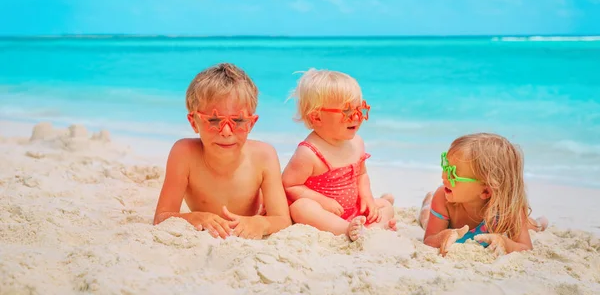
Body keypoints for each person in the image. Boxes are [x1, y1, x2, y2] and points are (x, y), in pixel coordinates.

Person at [153, 63, 291, 239]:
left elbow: (282, 219)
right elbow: (161, 217)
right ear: (194, 122)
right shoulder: (184, 154)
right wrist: (194, 217)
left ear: (251, 123)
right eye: (214, 120)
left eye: (238, 121)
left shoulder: (264, 156)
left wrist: (260, 222)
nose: (226, 132)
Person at [282, 68, 396, 241]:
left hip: (353, 210)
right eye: (347, 112)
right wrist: (322, 201)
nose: (356, 117)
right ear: (316, 118)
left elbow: (362, 175)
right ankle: (345, 229)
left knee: (385, 205)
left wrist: (367, 197)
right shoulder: (309, 152)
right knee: (301, 208)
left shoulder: (357, 142)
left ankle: (373, 228)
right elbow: (290, 185)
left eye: (360, 109)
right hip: (325, 214)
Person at [419, 133, 549, 256]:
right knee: (425, 220)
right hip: (444, 215)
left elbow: (525, 247)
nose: (443, 176)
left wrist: (504, 242)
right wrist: (443, 236)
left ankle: (540, 223)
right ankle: (427, 203)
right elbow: (429, 239)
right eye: (446, 168)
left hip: (503, 215)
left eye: (453, 173)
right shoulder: (443, 197)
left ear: (486, 191)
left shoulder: (508, 207)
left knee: (529, 225)